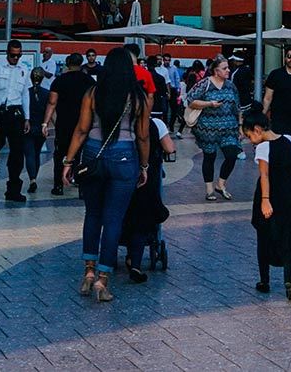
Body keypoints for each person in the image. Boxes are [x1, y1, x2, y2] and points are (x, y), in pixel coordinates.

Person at [62, 47, 150, 303]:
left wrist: (68, 161)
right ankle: (103, 279)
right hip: (125, 158)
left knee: (93, 215)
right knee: (113, 220)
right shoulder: (138, 97)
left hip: (93, 154)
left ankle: (88, 272)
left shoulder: (93, 92)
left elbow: (81, 129)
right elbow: (143, 136)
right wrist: (144, 166)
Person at [243, 110, 291, 300]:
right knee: (287, 236)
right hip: (287, 196)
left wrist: (265, 201)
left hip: (269, 197)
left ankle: (264, 281)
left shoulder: (263, 148)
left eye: (250, 135)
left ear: (257, 130)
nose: (251, 140)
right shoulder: (290, 140)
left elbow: (264, 175)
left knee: (263, 236)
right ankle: (288, 279)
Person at [121, 101, 175, 283]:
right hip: (146, 179)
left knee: (121, 215)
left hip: (121, 176)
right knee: (143, 218)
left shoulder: (119, 123)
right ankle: (134, 262)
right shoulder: (156, 124)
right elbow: (169, 148)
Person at [0, 39, 33, 203]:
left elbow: (25, 94)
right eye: (12, 55)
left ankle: (14, 189)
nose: (15, 59)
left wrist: (27, 117)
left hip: (15, 112)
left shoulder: (24, 69)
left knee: (18, 152)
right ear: (7, 53)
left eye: (18, 55)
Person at [185, 55, 242, 201]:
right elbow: (190, 101)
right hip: (208, 129)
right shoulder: (205, 84)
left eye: (228, 67)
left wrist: (240, 126)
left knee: (231, 154)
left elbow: (238, 107)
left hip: (229, 127)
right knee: (210, 156)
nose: (228, 70)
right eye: (225, 68)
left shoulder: (231, 86)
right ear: (216, 71)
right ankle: (209, 188)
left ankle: (221, 184)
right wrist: (209, 104)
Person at [45, 53, 93, 195]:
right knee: (81, 154)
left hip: (64, 122)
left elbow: (52, 102)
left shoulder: (59, 81)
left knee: (60, 153)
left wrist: (45, 122)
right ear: (81, 63)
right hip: (84, 122)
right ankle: (80, 184)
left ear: (67, 64)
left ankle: (58, 185)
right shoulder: (89, 80)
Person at [23, 67, 51, 193]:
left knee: (29, 153)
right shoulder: (46, 93)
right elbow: (50, 111)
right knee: (36, 153)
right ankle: (35, 177)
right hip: (40, 127)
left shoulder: (26, 93)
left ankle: (32, 179)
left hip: (28, 126)